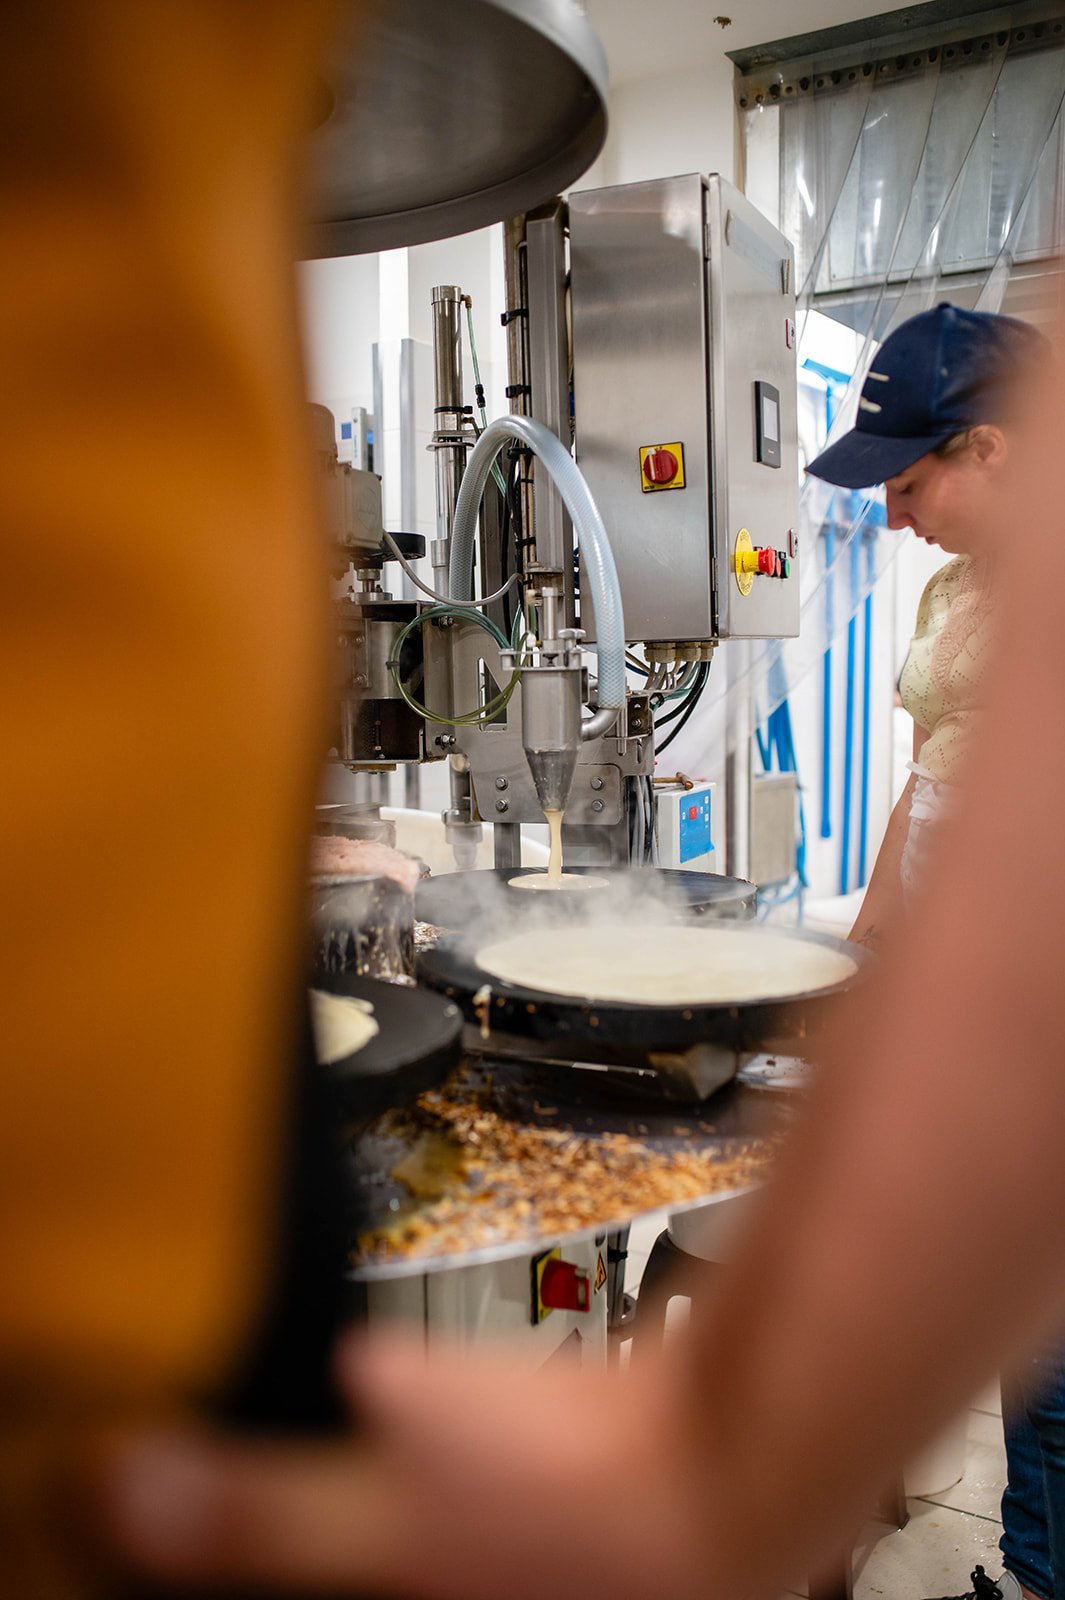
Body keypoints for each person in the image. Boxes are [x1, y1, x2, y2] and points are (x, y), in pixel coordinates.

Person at [808, 304, 1064, 1600]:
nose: (893, 514)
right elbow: (926, 785)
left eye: (909, 482)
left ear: (994, 450)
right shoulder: (954, 588)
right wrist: (860, 956)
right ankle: (1023, 1570)